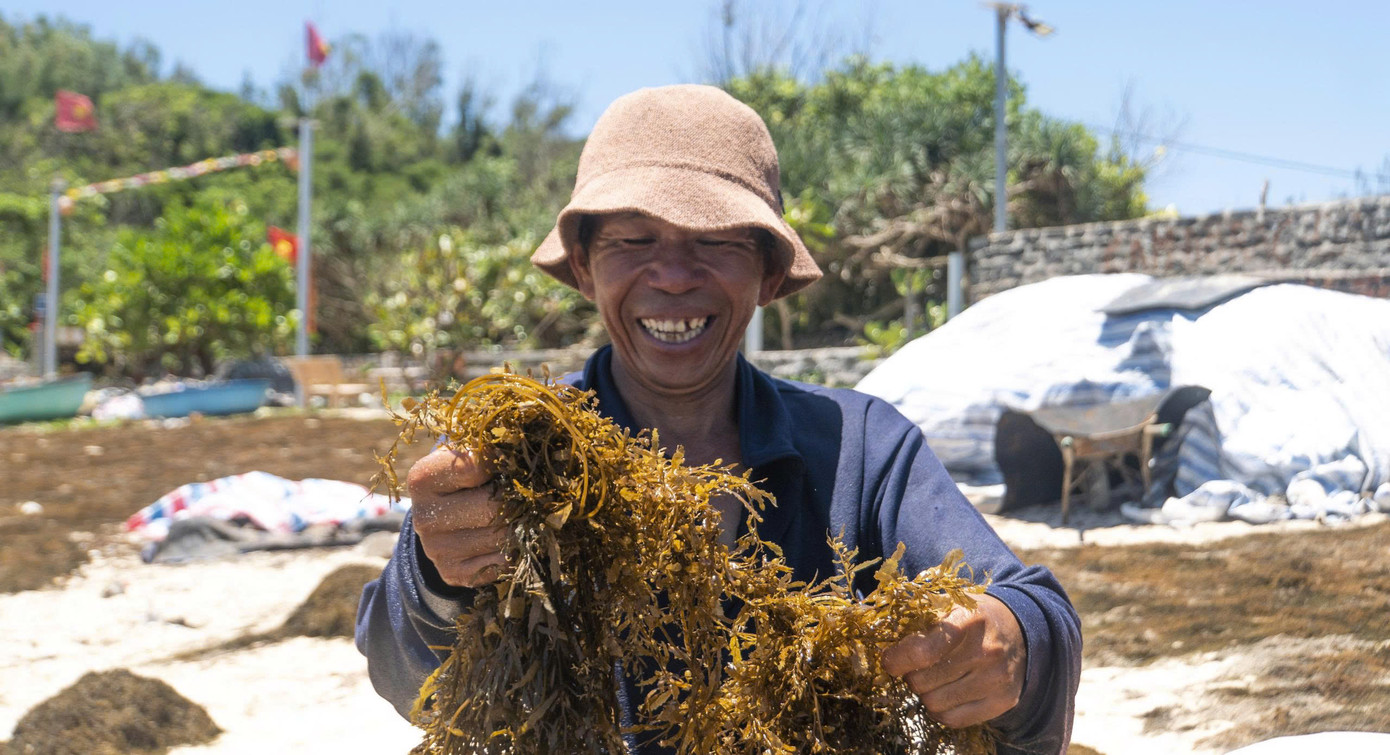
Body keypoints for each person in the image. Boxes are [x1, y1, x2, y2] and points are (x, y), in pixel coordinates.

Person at [356, 84, 1081, 754]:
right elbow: (404, 671)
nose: (673, 275)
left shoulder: (861, 448)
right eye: (632, 240)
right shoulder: (519, 456)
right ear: (584, 267)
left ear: (768, 273)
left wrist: (1011, 640)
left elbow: (1032, 604)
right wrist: (439, 570)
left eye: (716, 240)